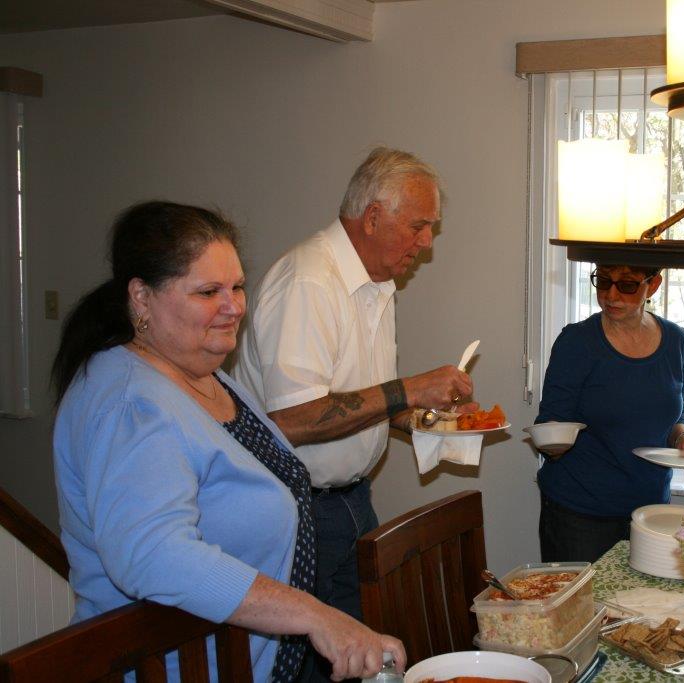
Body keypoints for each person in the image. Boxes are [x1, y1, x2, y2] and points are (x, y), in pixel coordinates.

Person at [51, 201, 405, 682]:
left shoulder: (205, 374)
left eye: (237, 287)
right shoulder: (131, 403)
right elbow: (154, 555)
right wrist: (315, 615)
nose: (234, 306)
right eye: (208, 292)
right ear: (141, 298)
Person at [233, 147, 473, 681]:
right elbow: (293, 419)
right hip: (298, 508)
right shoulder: (310, 281)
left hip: (352, 501)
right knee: (306, 668)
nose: (427, 242)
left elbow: (353, 398)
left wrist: (423, 416)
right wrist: (408, 389)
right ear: (373, 217)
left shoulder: (377, 284)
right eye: (419, 226)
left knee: (365, 658)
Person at [534, 264, 684, 563]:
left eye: (627, 284)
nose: (611, 295)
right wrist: (552, 441)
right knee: (582, 596)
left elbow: (675, 415)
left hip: (651, 512)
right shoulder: (577, 342)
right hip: (581, 515)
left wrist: (683, 439)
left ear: (654, 284)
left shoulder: (677, 340)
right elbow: (550, 421)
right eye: (603, 281)